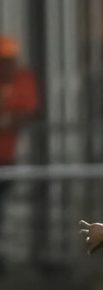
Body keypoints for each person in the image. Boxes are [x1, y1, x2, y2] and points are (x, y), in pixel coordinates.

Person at [0, 35, 39, 268]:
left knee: (4, 211)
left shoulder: (23, 79)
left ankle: (3, 257)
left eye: (9, 60)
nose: (6, 66)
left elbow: (26, 112)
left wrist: (8, 118)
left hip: (8, 159)